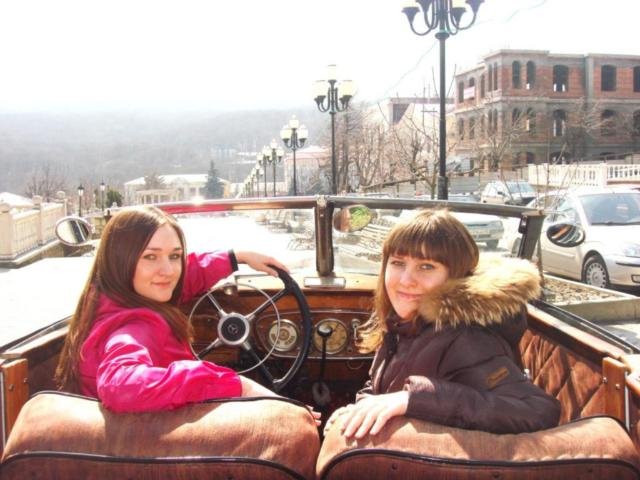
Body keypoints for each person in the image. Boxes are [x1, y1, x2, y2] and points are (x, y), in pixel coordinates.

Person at [332, 209, 560, 439]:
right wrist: (362, 407)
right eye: (398, 263)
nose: (405, 280)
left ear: (455, 277)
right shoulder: (403, 323)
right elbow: (382, 385)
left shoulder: (466, 339)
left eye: (426, 266)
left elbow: (538, 411)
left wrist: (413, 399)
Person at [55, 205, 288, 413]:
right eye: (150, 256)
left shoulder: (110, 297)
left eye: (175, 255)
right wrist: (237, 385)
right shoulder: (134, 327)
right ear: (120, 261)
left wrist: (236, 257)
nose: (168, 271)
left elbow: (185, 276)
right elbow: (121, 385)